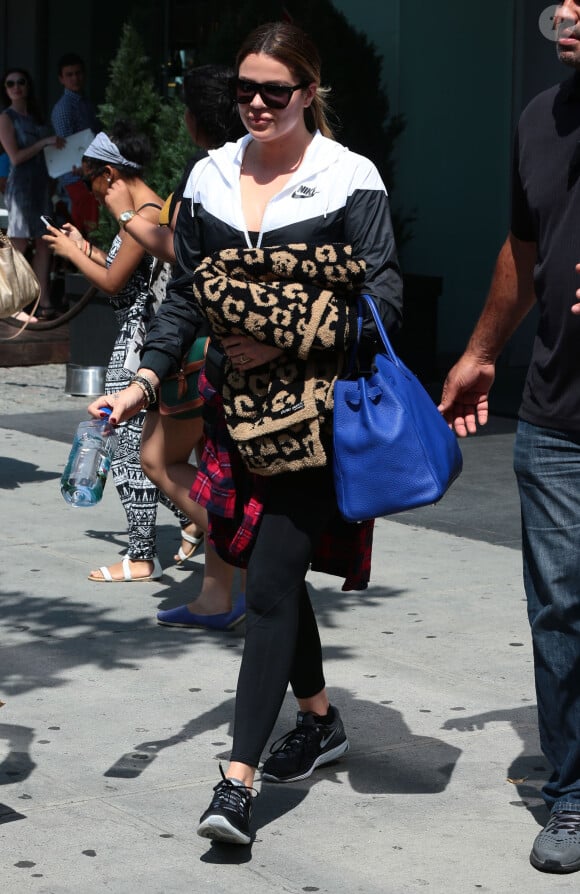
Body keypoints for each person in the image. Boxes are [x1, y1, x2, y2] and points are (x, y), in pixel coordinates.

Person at [100, 21, 402, 845]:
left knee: (267, 586)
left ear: (309, 92)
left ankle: (236, 782)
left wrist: (282, 333)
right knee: (274, 573)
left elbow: (384, 306)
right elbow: (187, 298)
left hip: (313, 421)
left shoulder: (350, 177)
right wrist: (145, 378)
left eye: (275, 91)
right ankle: (319, 717)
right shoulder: (208, 175)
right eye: (245, 91)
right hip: (234, 416)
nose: (258, 105)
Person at [439, 1, 580, 875]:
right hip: (558, 417)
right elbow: (525, 247)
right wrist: (482, 351)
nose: (567, 11)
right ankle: (572, 793)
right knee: (561, 609)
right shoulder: (541, 117)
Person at [99, 65, 247, 627]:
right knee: (215, 465)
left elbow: (179, 254)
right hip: (235, 339)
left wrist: (125, 218)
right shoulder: (249, 163)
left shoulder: (206, 171)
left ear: (194, 118)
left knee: (158, 460)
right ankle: (217, 594)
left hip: (198, 343)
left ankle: (248, 548)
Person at [44, 120, 203, 582]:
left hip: (140, 346)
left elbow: (114, 283)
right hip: (138, 341)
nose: (92, 192)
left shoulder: (147, 214)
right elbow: (121, 279)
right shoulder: (141, 214)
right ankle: (187, 521)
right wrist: (81, 247)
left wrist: (73, 255)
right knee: (140, 452)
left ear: (111, 175)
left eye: (93, 180)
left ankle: (142, 554)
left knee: (132, 452)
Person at [0, 67, 64, 320]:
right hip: (22, 188)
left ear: (28, 86)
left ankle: (42, 300)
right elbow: (15, 157)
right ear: (5, 90)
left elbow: (48, 155)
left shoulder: (37, 117)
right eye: (10, 84)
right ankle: (15, 306)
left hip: (42, 185)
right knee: (18, 243)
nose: (16, 87)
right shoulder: (6, 117)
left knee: (44, 244)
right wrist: (44, 142)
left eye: (20, 82)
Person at [51, 53, 99, 235]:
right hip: (76, 178)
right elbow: (67, 146)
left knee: (92, 227)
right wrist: (83, 168)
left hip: (89, 174)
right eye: (69, 74)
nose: (75, 78)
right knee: (83, 230)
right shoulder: (64, 108)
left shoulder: (85, 102)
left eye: (78, 73)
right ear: (61, 79)